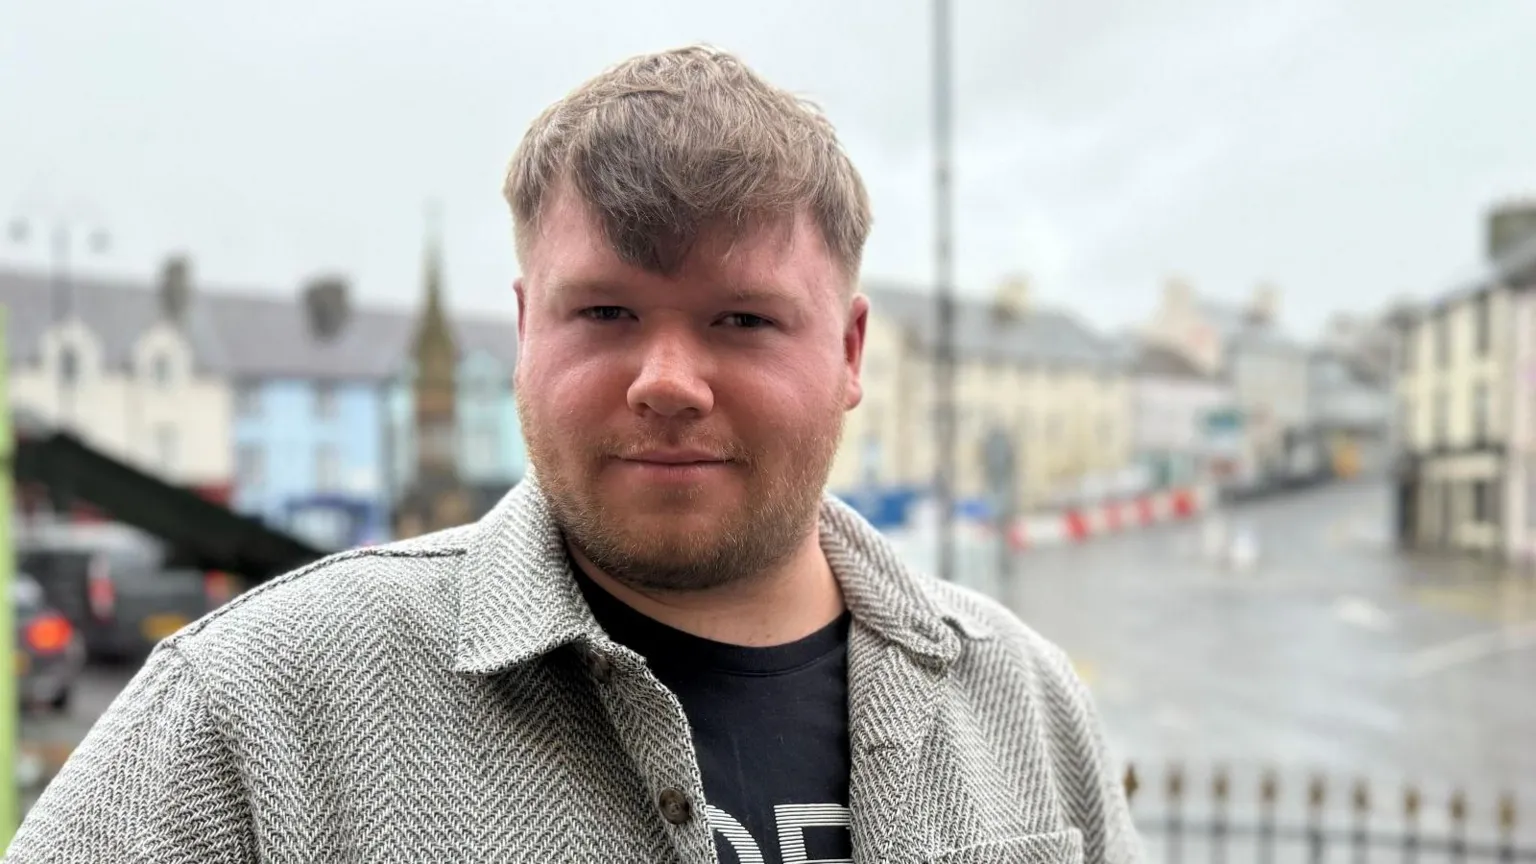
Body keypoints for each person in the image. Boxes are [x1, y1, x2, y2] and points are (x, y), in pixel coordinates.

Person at [6, 45, 1140, 863]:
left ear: (849, 350)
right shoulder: (251, 710)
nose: (666, 381)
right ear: (524, 335)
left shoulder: (1024, 704)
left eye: (741, 320)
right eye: (604, 314)